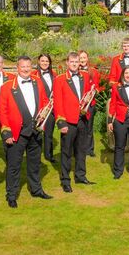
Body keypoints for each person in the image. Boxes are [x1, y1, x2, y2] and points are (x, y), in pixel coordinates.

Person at [0, 56, 53, 208]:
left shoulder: (37, 82)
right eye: (23, 66)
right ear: (17, 68)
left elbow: (43, 102)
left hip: (35, 130)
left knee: (35, 163)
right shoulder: (7, 87)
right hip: (16, 133)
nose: (25, 69)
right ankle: (11, 195)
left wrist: (42, 121)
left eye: (28, 66)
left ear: (31, 67)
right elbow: (2, 112)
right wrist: (6, 133)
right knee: (14, 166)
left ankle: (36, 189)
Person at [53, 52, 98, 192]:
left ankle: (80, 176)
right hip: (68, 121)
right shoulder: (60, 79)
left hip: (82, 119)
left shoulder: (84, 76)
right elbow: (57, 103)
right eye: (71, 61)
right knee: (66, 152)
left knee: (81, 150)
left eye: (76, 61)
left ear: (80, 63)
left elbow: (85, 95)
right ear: (67, 62)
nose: (74, 64)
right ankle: (65, 180)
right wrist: (61, 123)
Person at [32, 54, 57, 163]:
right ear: (38, 61)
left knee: (49, 133)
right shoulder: (33, 75)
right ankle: (35, 154)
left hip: (51, 109)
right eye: (42, 61)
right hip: (38, 108)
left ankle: (48, 155)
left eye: (47, 61)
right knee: (36, 133)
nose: (45, 63)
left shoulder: (54, 74)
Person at [79, 50, 102, 157]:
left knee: (89, 127)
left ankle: (90, 149)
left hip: (90, 104)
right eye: (80, 58)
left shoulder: (93, 71)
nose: (82, 60)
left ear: (87, 59)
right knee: (79, 128)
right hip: (78, 105)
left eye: (84, 58)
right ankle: (79, 149)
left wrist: (93, 92)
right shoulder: (75, 71)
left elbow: (97, 87)